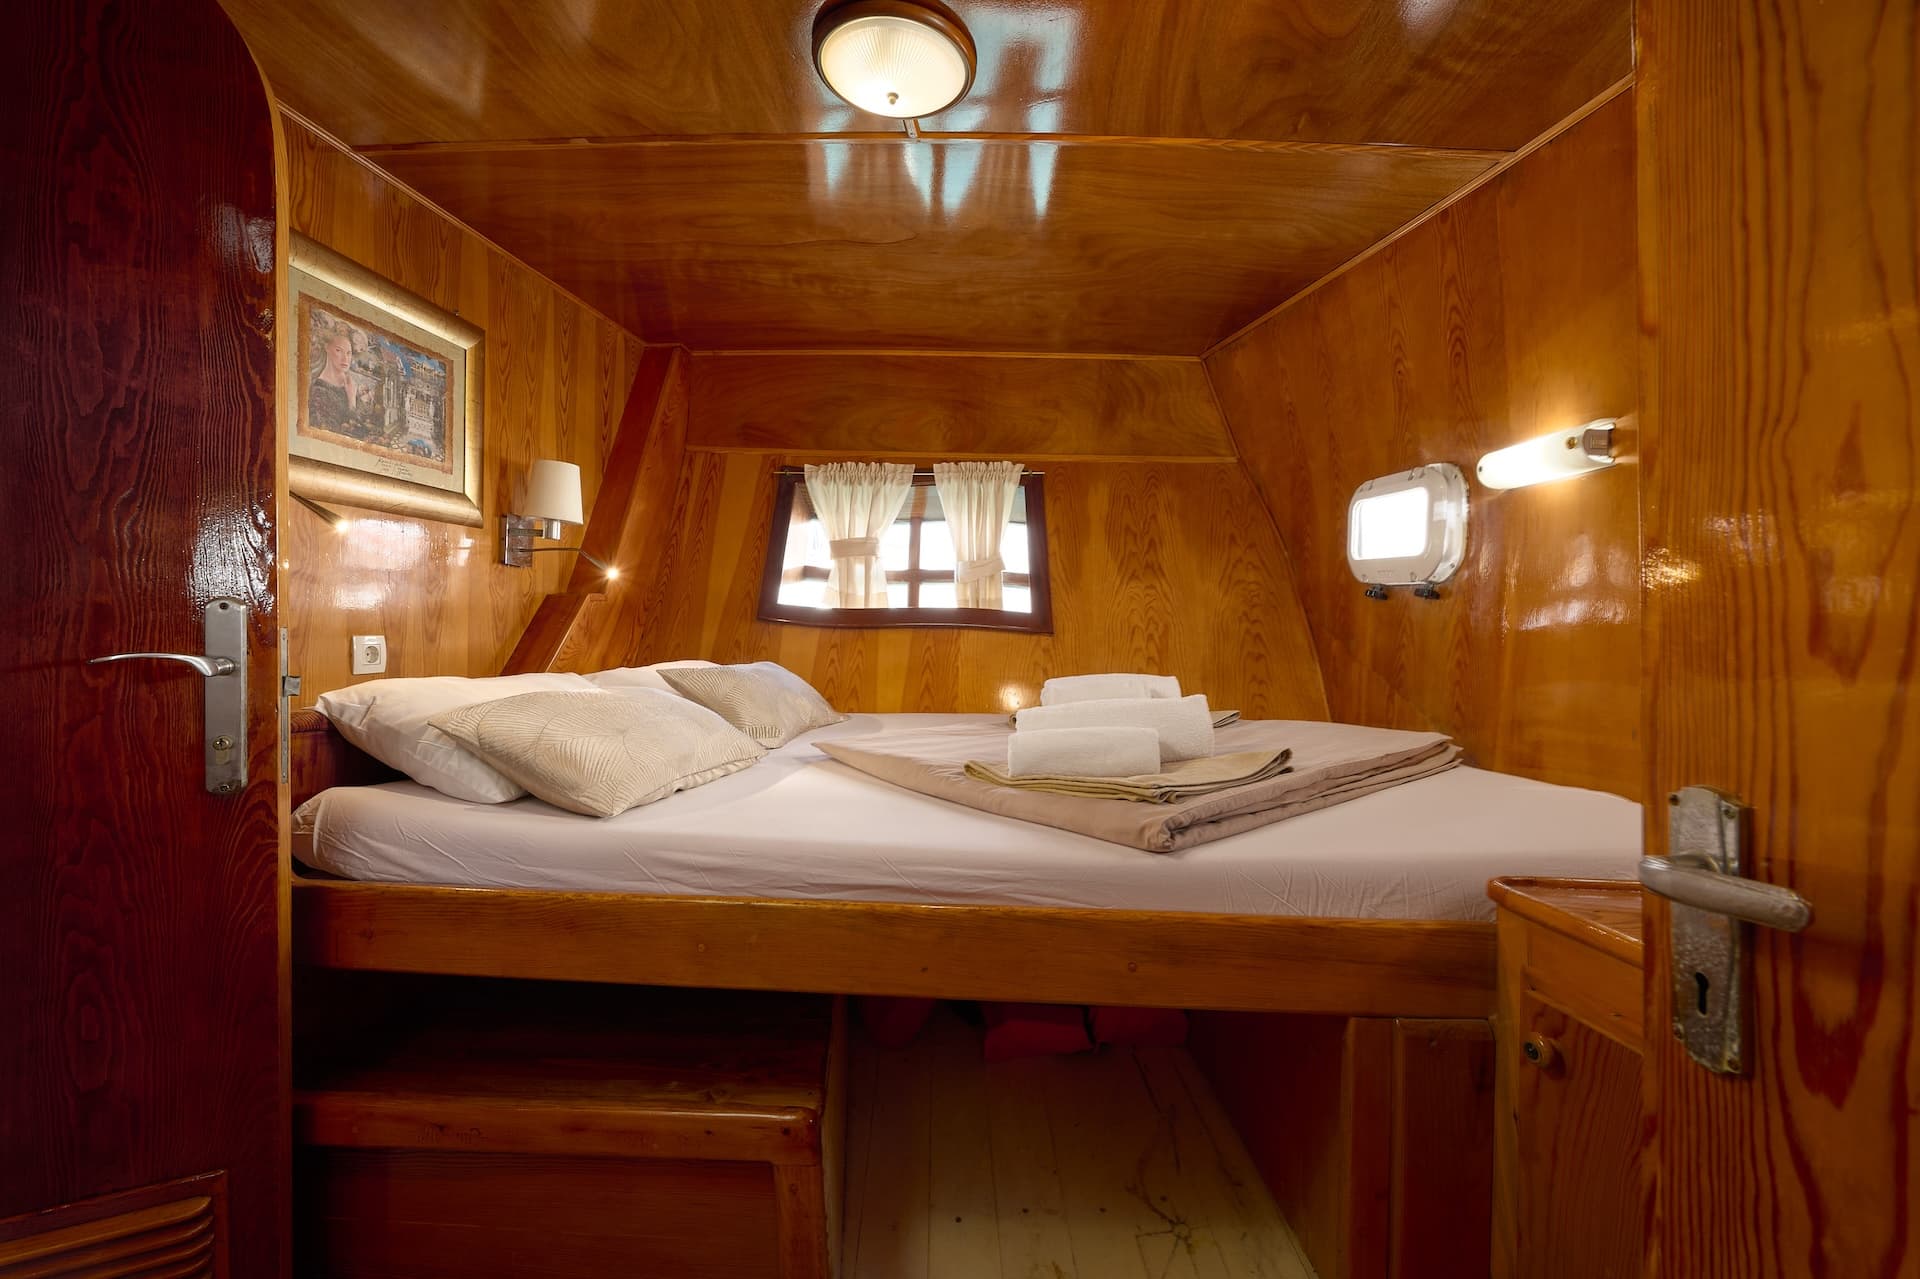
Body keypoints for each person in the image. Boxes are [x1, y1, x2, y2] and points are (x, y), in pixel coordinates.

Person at [306, 330, 362, 435]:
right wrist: (351, 401)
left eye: (348, 353)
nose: (345, 358)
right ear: (327, 348)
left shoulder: (351, 387)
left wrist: (352, 397)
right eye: (338, 350)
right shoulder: (318, 392)